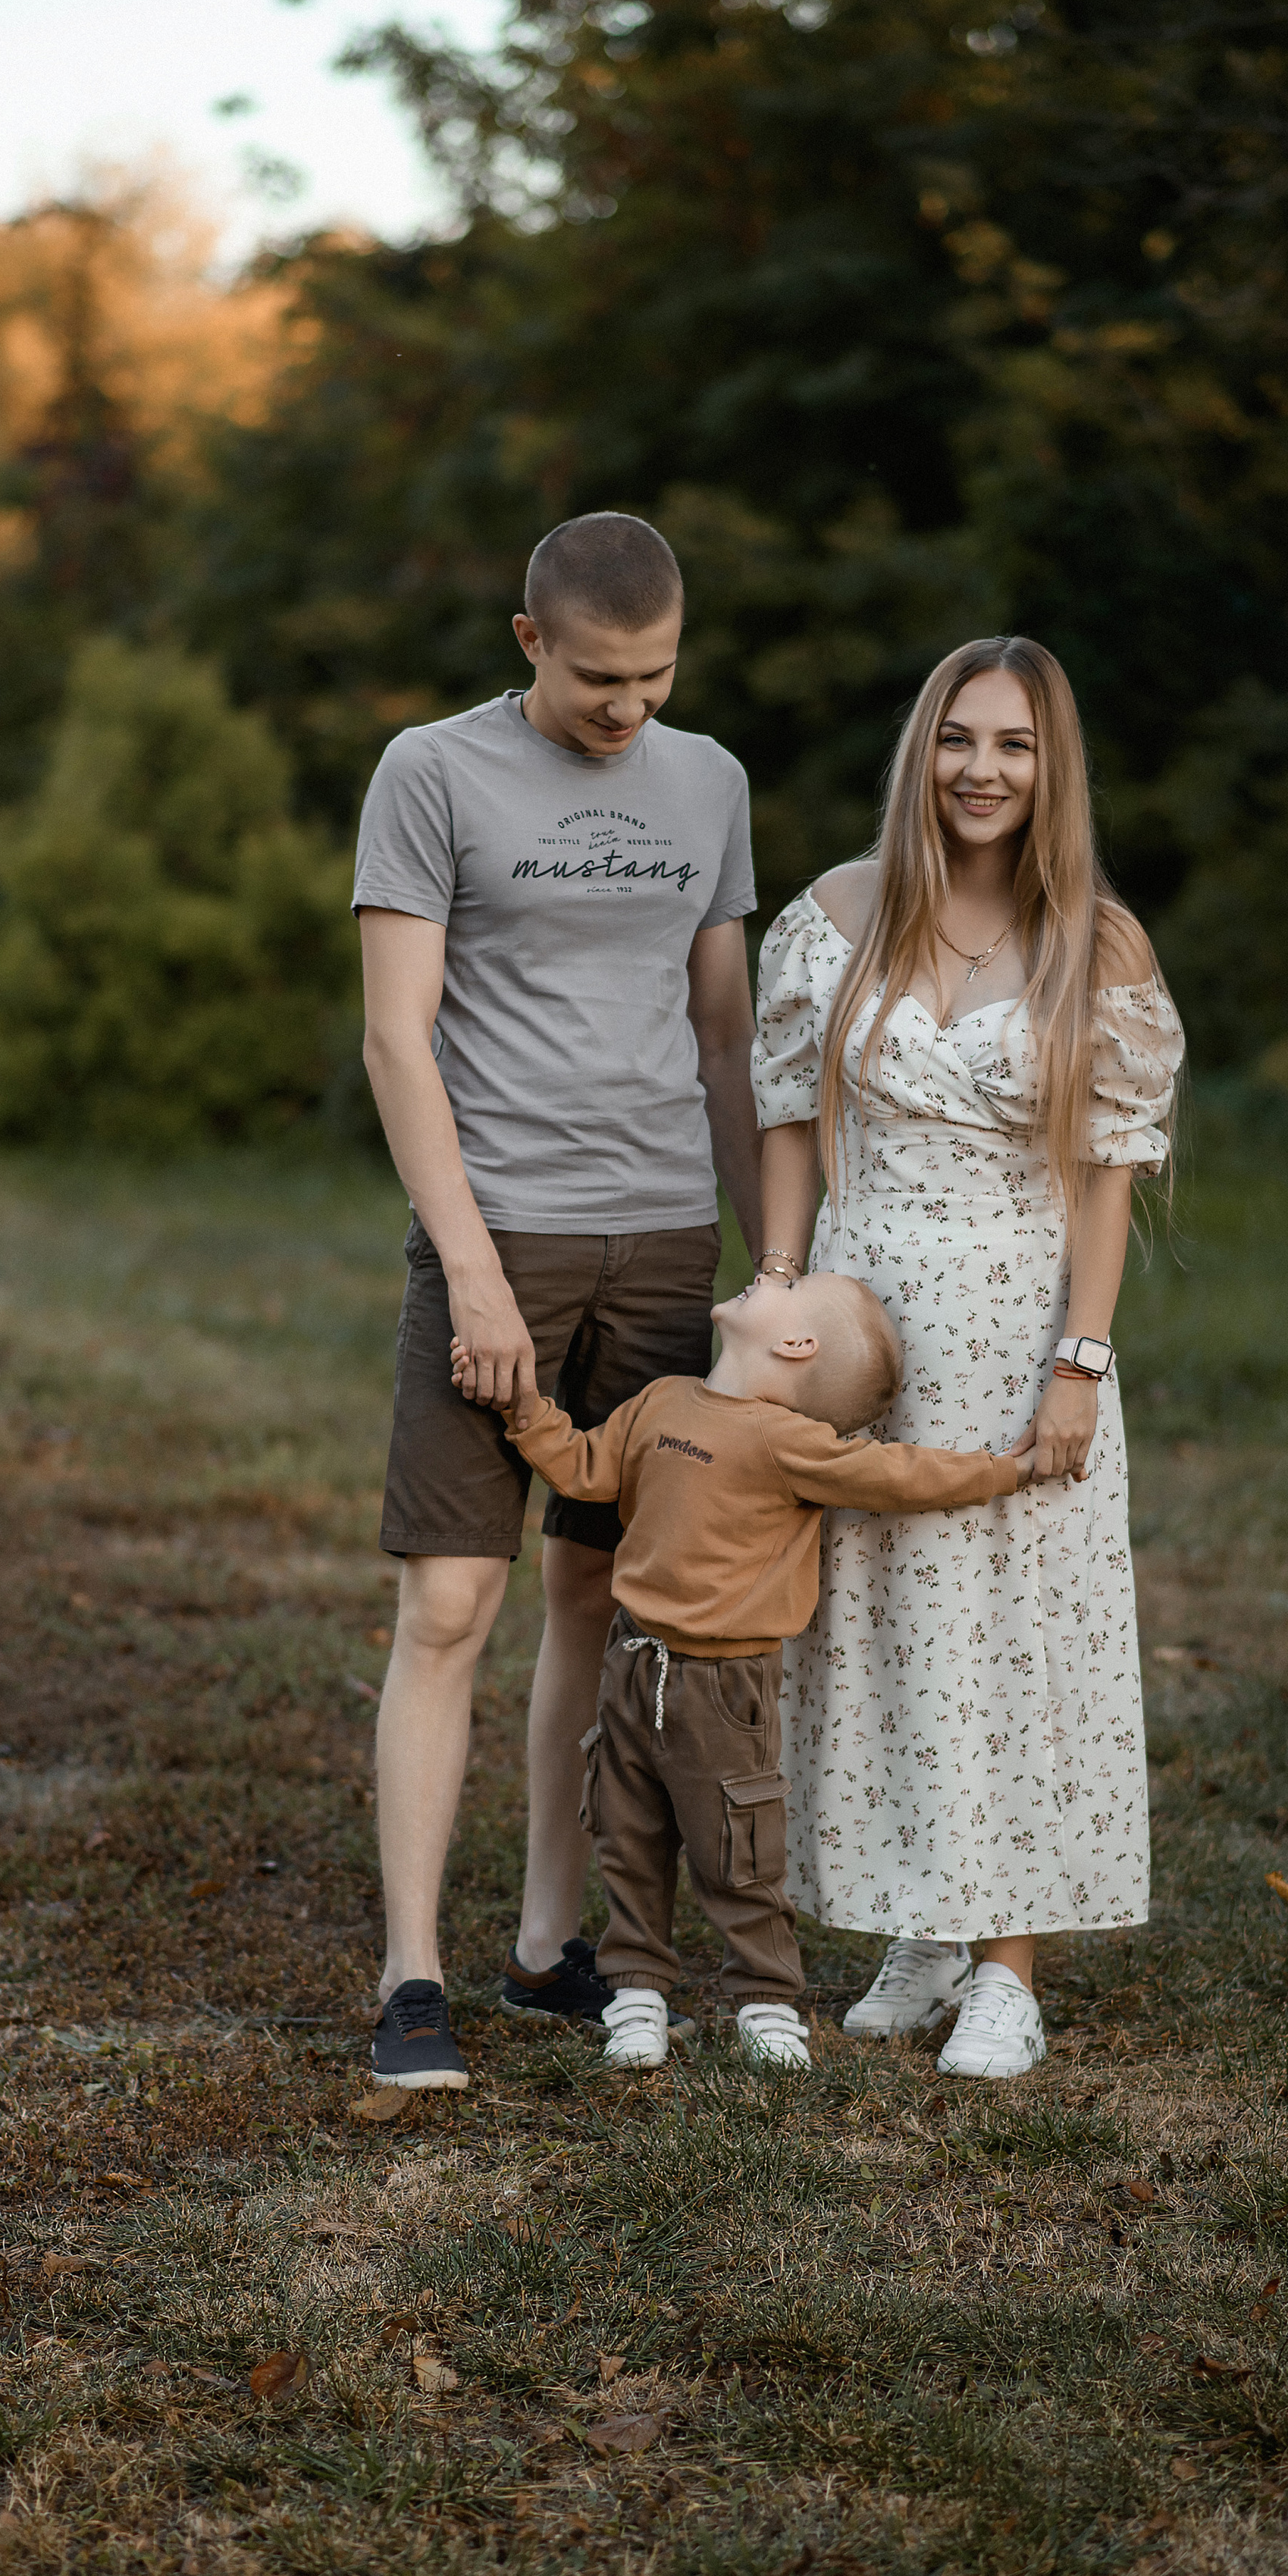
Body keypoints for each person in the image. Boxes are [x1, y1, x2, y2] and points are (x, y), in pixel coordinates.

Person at [353, 510, 763, 2091]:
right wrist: (469, 1269)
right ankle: (411, 1977)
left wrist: (768, 1257)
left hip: (661, 1243)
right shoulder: (432, 772)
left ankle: (545, 1944)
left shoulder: (709, 782)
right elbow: (397, 1039)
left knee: (593, 1597)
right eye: (599, 678)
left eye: (655, 677)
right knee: (452, 1603)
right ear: (530, 640)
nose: (627, 708)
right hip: (500, 1238)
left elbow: (722, 1039)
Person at [751, 635, 1185, 2080]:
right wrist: (781, 1295)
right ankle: (926, 1923)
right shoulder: (834, 918)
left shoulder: (1097, 946)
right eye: (957, 738)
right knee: (878, 1625)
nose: (980, 770)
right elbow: (787, 1121)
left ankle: (1012, 1971)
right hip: (865, 1328)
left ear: (1052, 769)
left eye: (1013, 745)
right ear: (920, 751)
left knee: (1012, 1637)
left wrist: (1081, 1361)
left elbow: (1110, 1171)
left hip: (1016, 1333)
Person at [465, 1270, 1033, 2072]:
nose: (771, 1272)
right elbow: (587, 1467)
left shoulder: (788, 1442)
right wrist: (524, 1407)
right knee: (627, 1837)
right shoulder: (662, 1401)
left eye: (790, 1283)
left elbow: (901, 1475)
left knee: (740, 1853)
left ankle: (766, 2002)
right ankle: (635, 1994)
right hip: (631, 1666)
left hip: (725, 1692)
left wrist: (1007, 1470)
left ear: (795, 1344)